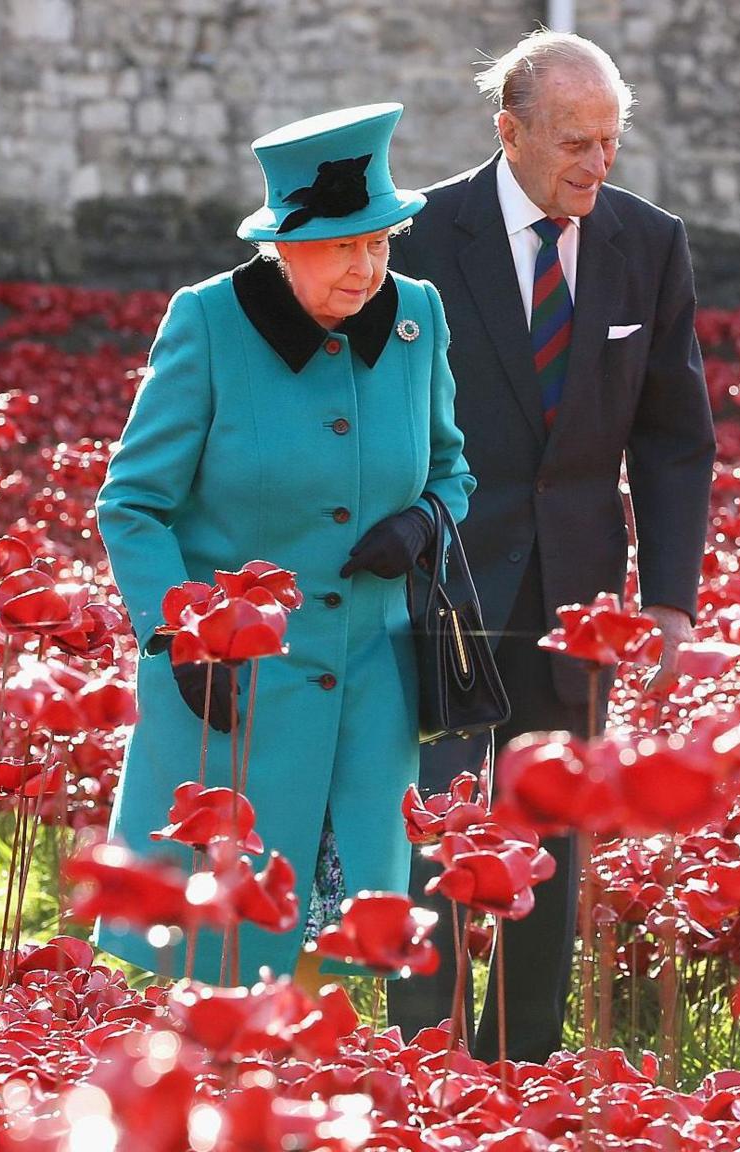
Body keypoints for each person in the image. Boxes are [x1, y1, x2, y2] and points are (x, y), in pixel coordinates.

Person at [386, 30, 717, 1061]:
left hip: (577, 592)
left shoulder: (646, 243)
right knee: (433, 826)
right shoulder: (418, 235)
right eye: (574, 141)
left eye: (609, 142)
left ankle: (522, 1058)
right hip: (437, 584)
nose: (594, 163)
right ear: (509, 132)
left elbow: (673, 437)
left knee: (551, 836)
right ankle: (423, 1057)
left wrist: (667, 599)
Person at [95, 103, 474, 990]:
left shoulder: (417, 318)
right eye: (344, 245)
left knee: (329, 973)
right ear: (285, 245)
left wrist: (422, 521)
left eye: (381, 241)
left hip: (371, 702)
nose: (368, 265)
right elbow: (133, 504)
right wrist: (178, 632)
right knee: (216, 966)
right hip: (234, 698)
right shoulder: (208, 325)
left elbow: (453, 470)